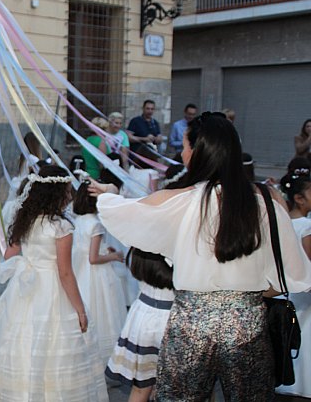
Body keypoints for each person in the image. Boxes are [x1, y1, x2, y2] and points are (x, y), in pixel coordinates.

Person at [93, 112, 311, 400]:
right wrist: (246, 293)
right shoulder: (268, 200)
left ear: (199, 152)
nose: (182, 153)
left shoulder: (181, 200)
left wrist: (109, 190)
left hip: (189, 322)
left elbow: (120, 210)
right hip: (247, 323)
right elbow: (294, 275)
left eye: (185, 146)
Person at [0, 165, 109, 401]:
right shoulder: (61, 226)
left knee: (20, 341)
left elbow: (10, 254)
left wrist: (29, 263)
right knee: (53, 347)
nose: (70, 195)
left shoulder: (26, 220)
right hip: (52, 289)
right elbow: (65, 273)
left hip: (23, 290)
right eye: (67, 190)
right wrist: (80, 310)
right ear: (57, 194)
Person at [106, 248, 175, 402]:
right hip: (173, 318)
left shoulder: (141, 243)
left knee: (141, 387)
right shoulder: (183, 248)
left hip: (143, 315)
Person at [72, 175, 127, 367]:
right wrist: (115, 256)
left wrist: (105, 250)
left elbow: (85, 249)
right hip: (96, 277)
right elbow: (93, 258)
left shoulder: (78, 220)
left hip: (80, 274)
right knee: (103, 314)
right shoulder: (96, 224)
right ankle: (101, 361)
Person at [277, 168, 311, 398]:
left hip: (286, 293)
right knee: (305, 336)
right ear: (299, 198)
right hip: (304, 292)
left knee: (288, 336)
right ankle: (303, 383)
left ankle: (286, 380)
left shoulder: (283, 222)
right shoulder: (306, 228)